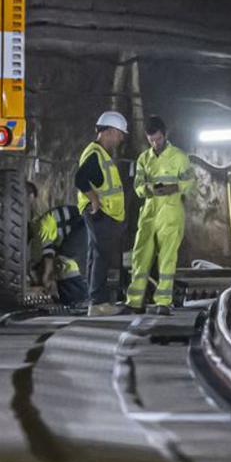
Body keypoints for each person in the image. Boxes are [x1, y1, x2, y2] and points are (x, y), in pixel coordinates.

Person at [124, 115, 194, 315]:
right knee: (140, 256)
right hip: (149, 212)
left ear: (165, 135)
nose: (155, 143)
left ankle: (163, 301)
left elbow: (191, 182)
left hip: (171, 213)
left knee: (167, 258)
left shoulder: (179, 157)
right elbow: (137, 186)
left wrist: (175, 187)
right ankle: (135, 301)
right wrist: (149, 189)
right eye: (151, 140)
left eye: (158, 139)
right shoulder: (144, 159)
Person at [75, 111, 128, 316]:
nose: (121, 138)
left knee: (97, 256)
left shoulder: (99, 154)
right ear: (110, 131)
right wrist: (95, 201)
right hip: (100, 214)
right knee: (102, 257)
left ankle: (95, 301)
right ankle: (98, 303)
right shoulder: (96, 154)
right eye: (120, 133)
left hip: (103, 214)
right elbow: (80, 179)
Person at [26, 181, 89, 308]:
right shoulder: (41, 223)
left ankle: (78, 299)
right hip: (85, 227)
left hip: (85, 227)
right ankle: (72, 298)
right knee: (62, 262)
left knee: (64, 262)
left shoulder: (41, 227)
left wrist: (45, 278)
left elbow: (48, 257)